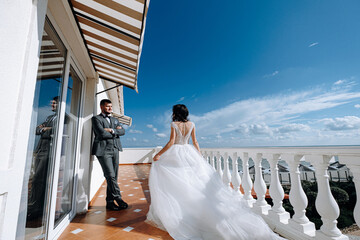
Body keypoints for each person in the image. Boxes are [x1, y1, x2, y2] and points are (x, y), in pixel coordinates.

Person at [146, 104, 284, 240]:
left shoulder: (174, 124)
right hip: (189, 152)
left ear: (175, 113)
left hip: (176, 153)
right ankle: (191, 210)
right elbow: (195, 141)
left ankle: (182, 209)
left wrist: (159, 154)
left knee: (177, 180)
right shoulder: (192, 124)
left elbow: (171, 142)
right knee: (192, 181)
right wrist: (199, 157)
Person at [27, 96, 59, 223]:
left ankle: (33, 209)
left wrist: (45, 130)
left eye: (54, 103)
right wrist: (44, 129)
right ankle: (38, 209)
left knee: (37, 180)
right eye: (51, 102)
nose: (51, 104)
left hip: (48, 151)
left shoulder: (63, 118)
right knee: (39, 180)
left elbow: (55, 132)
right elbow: (36, 130)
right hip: (40, 150)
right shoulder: (49, 118)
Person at [92, 99, 128, 211]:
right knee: (110, 176)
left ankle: (110, 202)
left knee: (113, 177)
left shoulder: (115, 119)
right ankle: (118, 198)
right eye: (108, 106)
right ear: (102, 107)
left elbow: (122, 132)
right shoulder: (96, 119)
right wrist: (115, 132)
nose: (110, 109)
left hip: (115, 149)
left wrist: (112, 131)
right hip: (103, 151)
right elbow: (101, 133)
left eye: (111, 106)